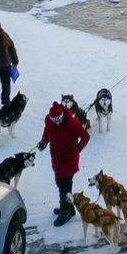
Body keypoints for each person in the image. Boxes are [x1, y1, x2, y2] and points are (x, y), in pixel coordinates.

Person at [38, 96, 89, 225]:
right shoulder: (49, 121)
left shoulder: (72, 123)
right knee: (59, 183)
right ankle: (69, 208)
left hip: (69, 159)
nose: (57, 123)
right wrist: (44, 142)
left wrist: (77, 149)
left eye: (59, 120)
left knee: (64, 187)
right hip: (57, 158)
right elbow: (47, 132)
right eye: (54, 120)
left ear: (62, 116)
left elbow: (85, 136)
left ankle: (65, 213)